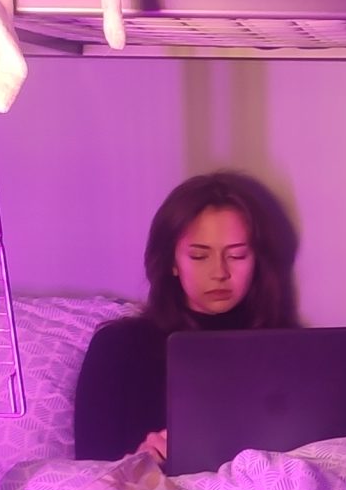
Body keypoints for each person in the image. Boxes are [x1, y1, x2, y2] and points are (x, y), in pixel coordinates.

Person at [73, 171, 303, 463]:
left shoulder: (290, 350)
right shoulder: (118, 347)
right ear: (172, 262)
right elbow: (90, 468)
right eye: (199, 256)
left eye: (237, 255)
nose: (219, 272)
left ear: (258, 260)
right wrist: (139, 462)